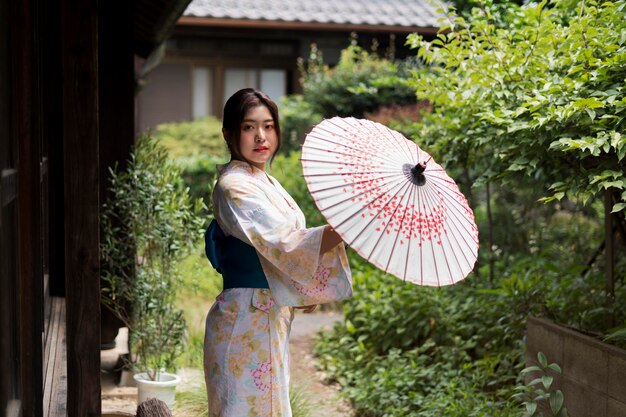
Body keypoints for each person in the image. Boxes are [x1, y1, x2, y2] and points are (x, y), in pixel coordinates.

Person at [203, 88, 353, 417]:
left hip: (266, 313)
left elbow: (281, 250)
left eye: (269, 126)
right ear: (228, 133)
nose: (261, 136)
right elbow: (283, 242)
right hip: (244, 317)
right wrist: (342, 228)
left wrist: (302, 287)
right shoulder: (233, 186)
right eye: (249, 127)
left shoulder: (264, 181)